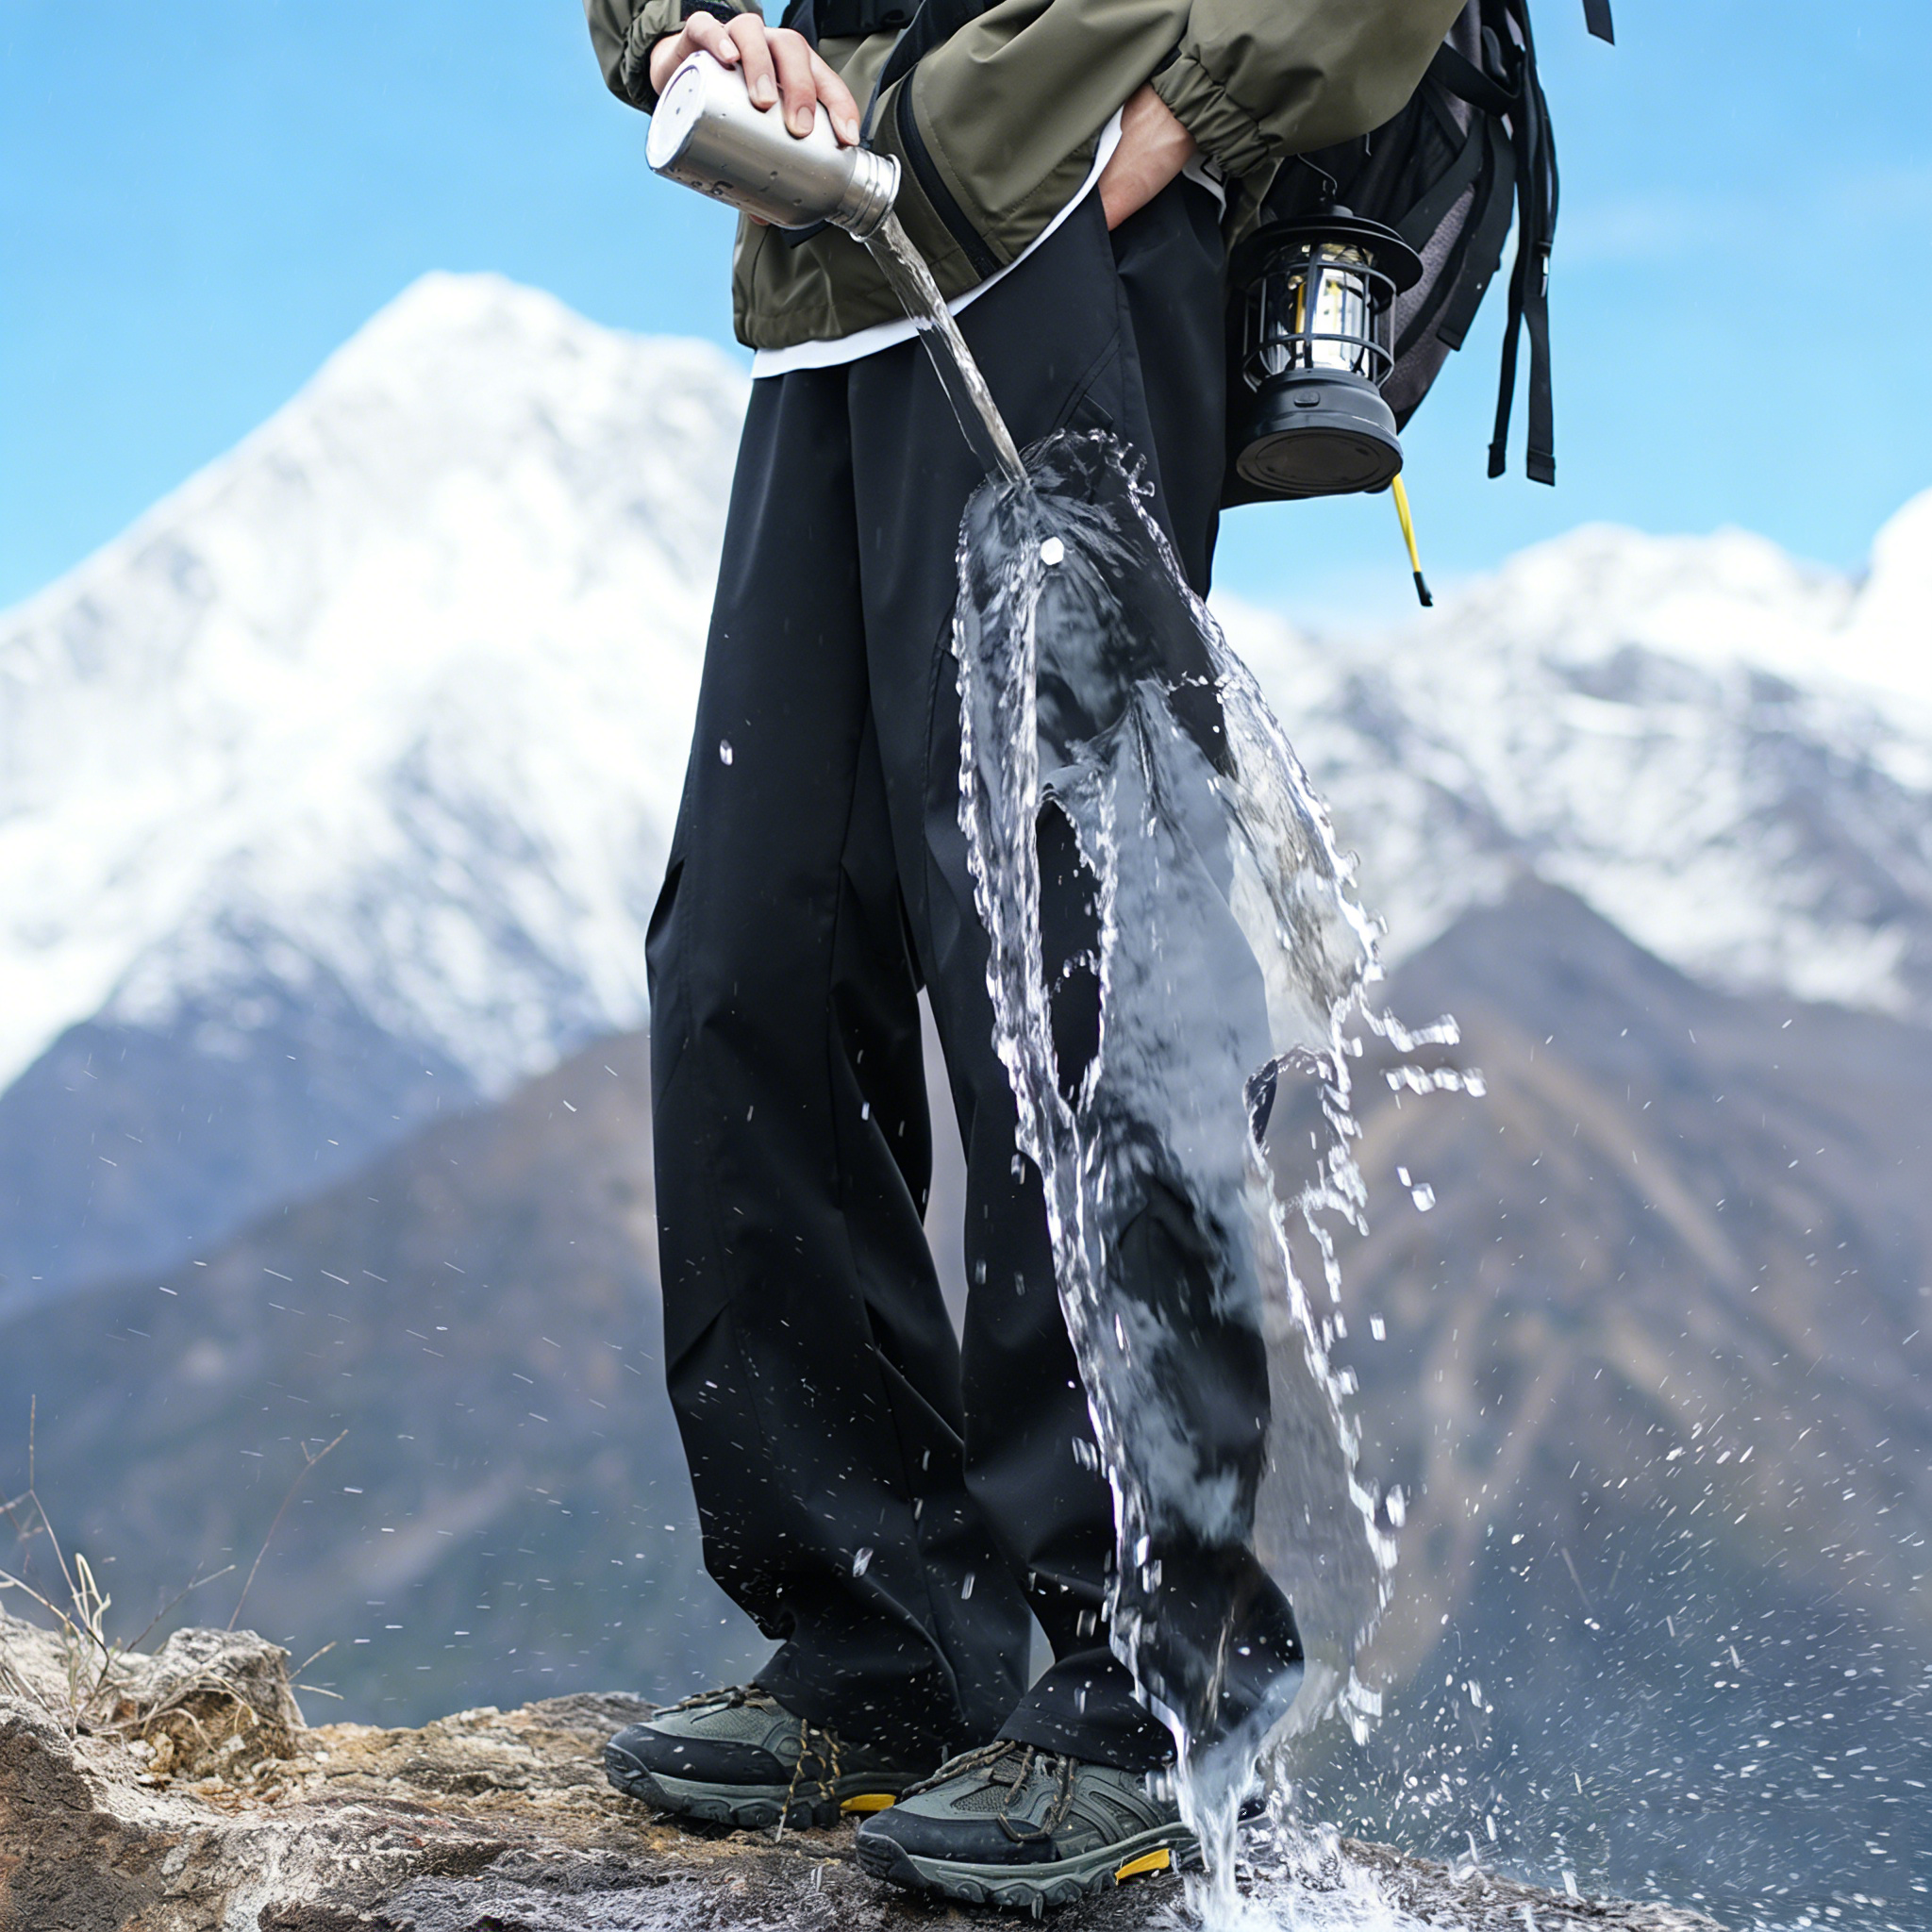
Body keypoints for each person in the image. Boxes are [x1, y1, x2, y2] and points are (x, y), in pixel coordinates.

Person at [582, 0, 1460, 1907]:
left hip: (1083, 198)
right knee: (752, 941)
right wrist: (675, 37)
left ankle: (1155, 1682)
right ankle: (879, 1644)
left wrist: (1187, 107)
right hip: (837, 233)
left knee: (1083, 927)